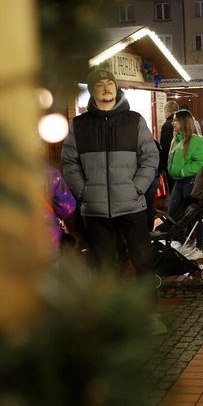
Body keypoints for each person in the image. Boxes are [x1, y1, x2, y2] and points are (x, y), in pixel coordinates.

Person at [61, 69, 158, 272]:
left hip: (132, 206)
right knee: (103, 266)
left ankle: (148, 302)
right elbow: (70, 163)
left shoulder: (134, 120)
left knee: (143, 261)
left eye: (110, 83)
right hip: (95, 210)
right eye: (99, 84)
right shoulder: (79, 125)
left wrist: (136, 187)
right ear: (91, 91)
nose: (106, 88)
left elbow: (150, 157)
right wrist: (83, 192)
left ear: (116, 88)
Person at [167, 110, 203, 260]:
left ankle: (200, 248)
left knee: (193, 215)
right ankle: (181, 241)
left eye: (175, 120)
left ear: (184, 122)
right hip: (178, 182)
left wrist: (184, 171)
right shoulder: (176, 139)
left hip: (190, 181)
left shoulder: (196, 140)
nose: (172, 123)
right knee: (173, 212)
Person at [160, 100, 179, 192]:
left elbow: (165, 147)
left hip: (171, 165)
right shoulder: (185, 123)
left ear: (167, 112)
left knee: (173, 190)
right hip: (182, 166)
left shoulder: (167, 126)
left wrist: (162, 166)